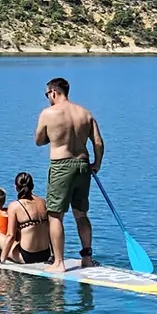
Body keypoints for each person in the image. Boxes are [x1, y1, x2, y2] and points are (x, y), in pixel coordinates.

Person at [35, 77, 103, 267]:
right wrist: (96, 163)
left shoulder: (48, 113)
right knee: (81, 214)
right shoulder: (85, 113)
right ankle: (87, 259)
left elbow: (39, 140)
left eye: (47, 94)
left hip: (61, 166)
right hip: (83, 165)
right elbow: (98, 142)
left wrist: (55, 135)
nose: (48, 97)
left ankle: (59, 262)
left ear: (53, 92)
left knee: (55, 215)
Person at [0, 171, 54, 265]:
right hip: (45, 254)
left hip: (27, 256)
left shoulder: (14, 206)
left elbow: (10, 236)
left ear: (16, 187)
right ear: (32, 186)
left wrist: (1, 261)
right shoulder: (43, 202)